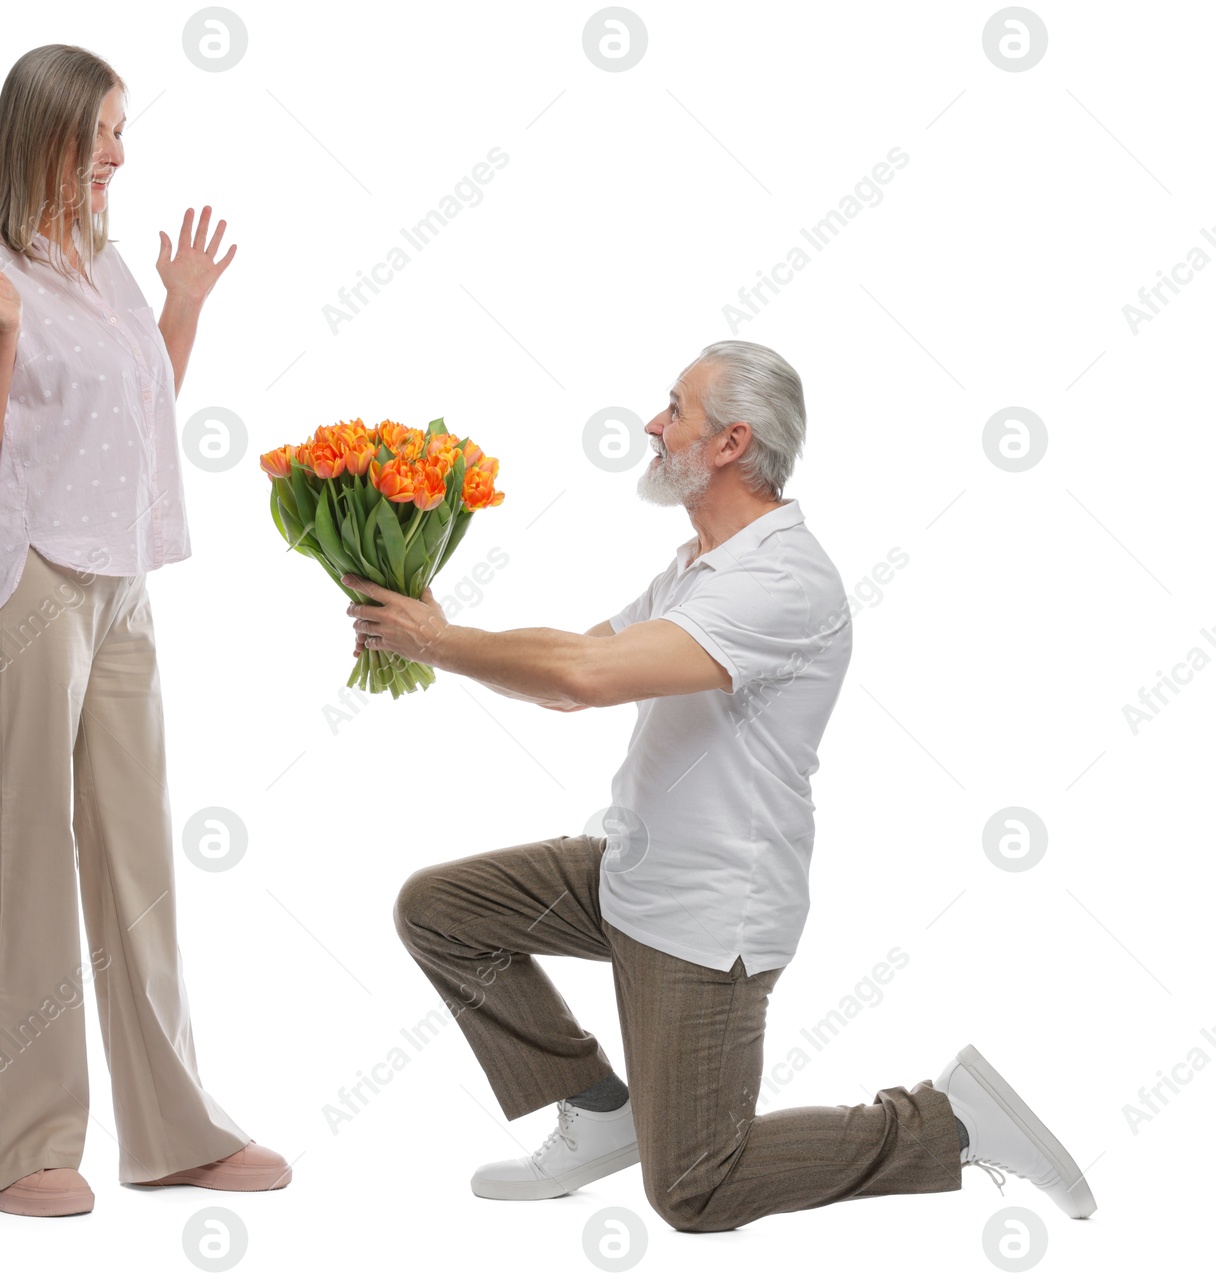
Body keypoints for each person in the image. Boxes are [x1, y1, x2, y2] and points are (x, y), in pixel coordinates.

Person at [351, 340, 1095, 1230]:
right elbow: (575, 671)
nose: (651, 425)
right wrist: (427, 626)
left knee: (696, 1189)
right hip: (631, 873)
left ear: (733, 442)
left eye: (674, 410)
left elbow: (583, 677)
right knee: (442, 909)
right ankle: (595, 1110)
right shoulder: (696, 565)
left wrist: (436, 639)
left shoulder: (780, 578)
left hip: (707, 919)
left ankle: (951, 1122)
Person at [0, 43, 289, 1217]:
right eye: (105, 134)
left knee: (135, 853)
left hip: (119, 573)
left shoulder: (106, 269)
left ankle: (173, 1128)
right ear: (48, 135)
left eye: (124, 131)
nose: (121, 154)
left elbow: (138, 416)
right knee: (18, 858)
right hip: (23, 575)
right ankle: (5, 1144)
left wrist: (177, 311)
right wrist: (6, 335)